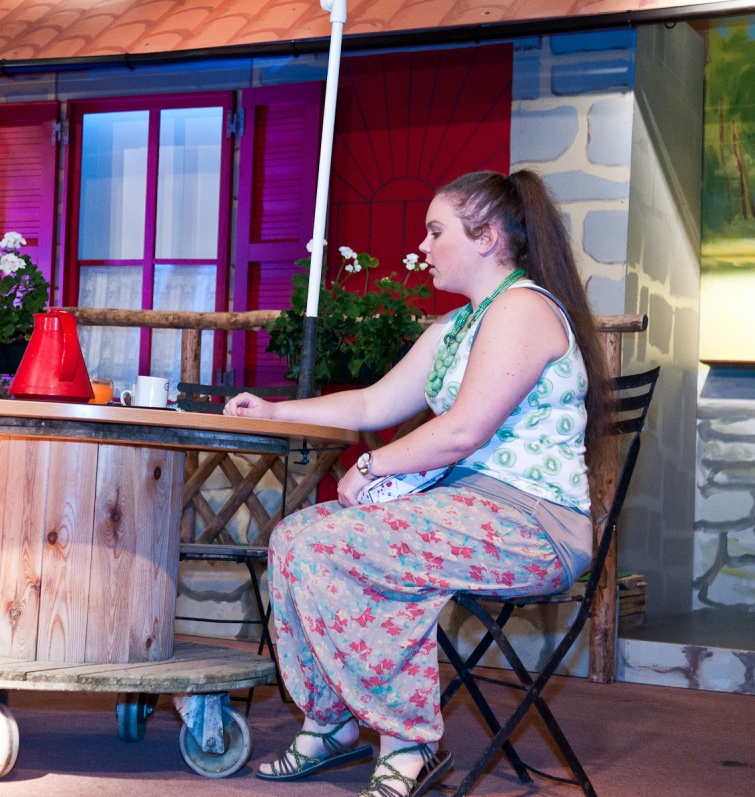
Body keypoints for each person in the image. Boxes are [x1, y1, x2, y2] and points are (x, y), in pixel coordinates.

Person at [223, 169, 615, 797]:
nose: (423, 246)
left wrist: (372, 466)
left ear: (486, 237)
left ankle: (409, 746)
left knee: (348, 545)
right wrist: (273, 410)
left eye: (436, 232)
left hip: (531, 525)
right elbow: (371, 404)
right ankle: (330, 722)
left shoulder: (524, 309)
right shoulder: (458, 326)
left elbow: (463, 431)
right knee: (296, 536)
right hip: (463, 512)